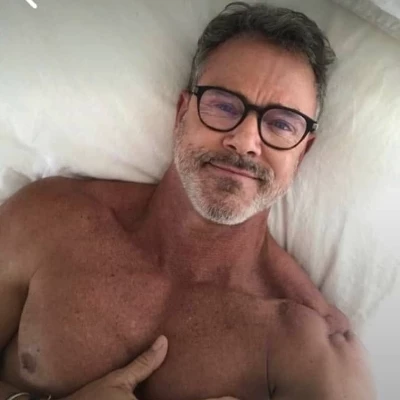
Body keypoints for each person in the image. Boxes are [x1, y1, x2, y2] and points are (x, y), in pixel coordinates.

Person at [0, 2, 376, 400]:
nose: (245, 142)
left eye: (281, 124)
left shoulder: (311, 350)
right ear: (183, 112)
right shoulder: (49, 219)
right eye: (224, 105)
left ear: (303, 152)